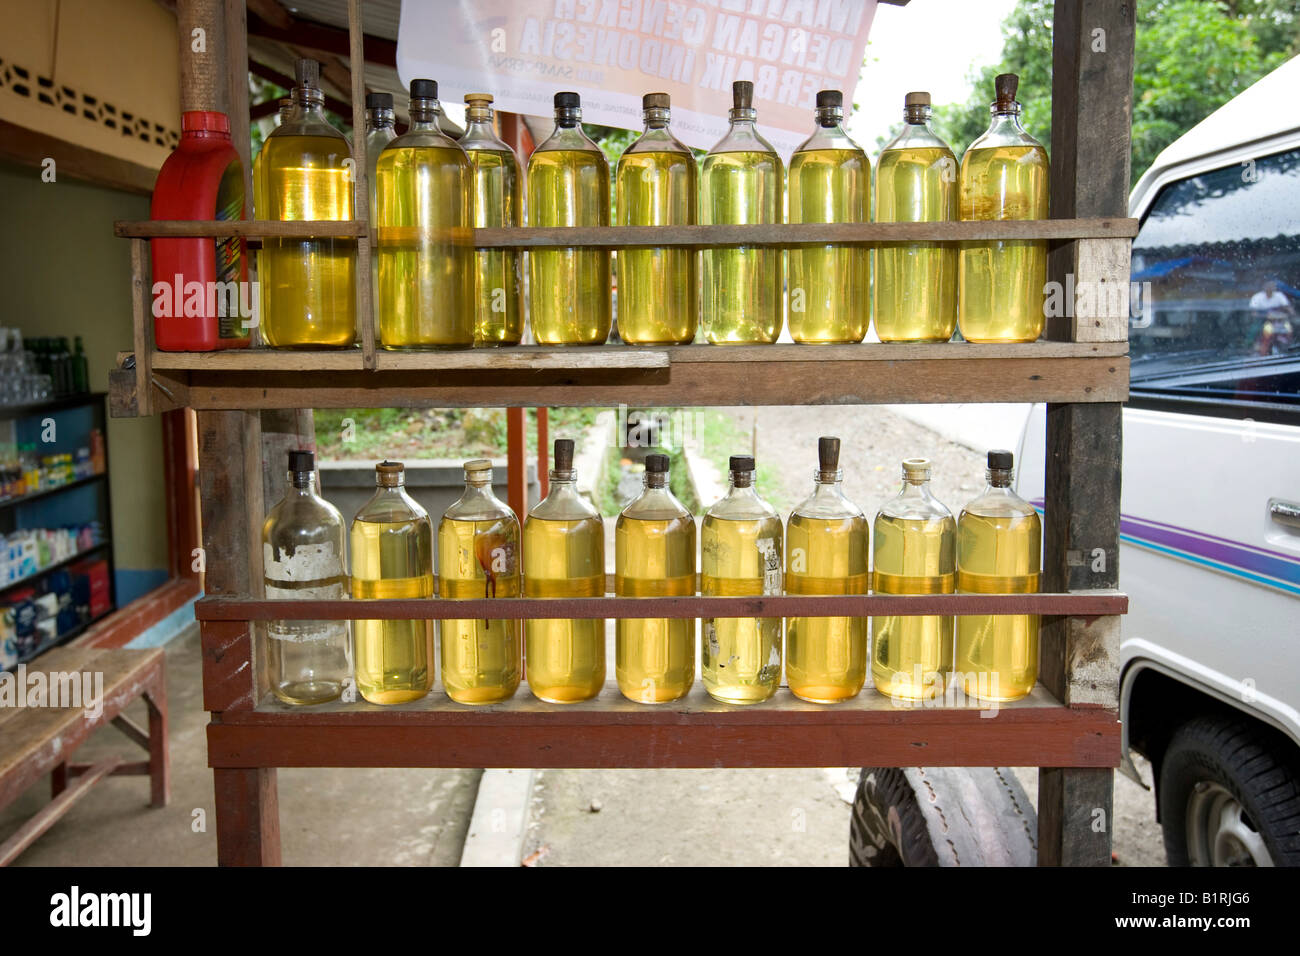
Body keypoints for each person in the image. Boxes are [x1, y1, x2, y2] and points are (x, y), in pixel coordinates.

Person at [1249, 279, 1295, 355]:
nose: (1270, 289)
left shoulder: (1279, 296)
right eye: (1268, 287)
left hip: (1279, 321)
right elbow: (1253, 313)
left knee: (1289, 329)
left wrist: (1291, 313)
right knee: (1255, 330)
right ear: (1264, 288)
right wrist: (1265, 316)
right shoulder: (1257, 297)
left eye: (1272, 287)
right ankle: (1252, 346)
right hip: (1263, 320)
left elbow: (1288, 307)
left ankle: (1290, 346)